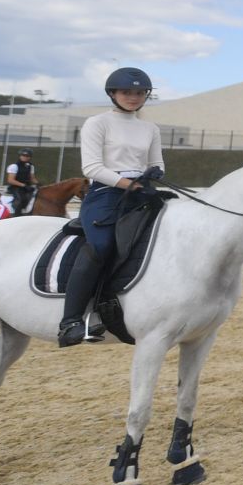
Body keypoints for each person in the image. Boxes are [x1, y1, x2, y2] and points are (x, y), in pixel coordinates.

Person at [59, 67, 165, 348]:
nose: (133, 97)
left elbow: (157, 163)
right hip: (106, 194)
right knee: (103, 246)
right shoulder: (98, 123)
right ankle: (71, 320)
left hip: (141, 191)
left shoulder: (150, 128)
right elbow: (92, 167)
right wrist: (126, 182)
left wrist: (153, 175)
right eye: (127, 92)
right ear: (113, 94)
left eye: (139, 93)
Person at [5, 150, 40, 215]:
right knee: (20, 199)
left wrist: (38, 183)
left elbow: (32, 178)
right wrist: (23, 185)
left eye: (27, 156)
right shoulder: (14, 166)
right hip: (15, 187)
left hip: (27, 187)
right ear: (20, 156)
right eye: (23, 155)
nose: (25, 157)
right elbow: (11, 180)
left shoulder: (31, 166)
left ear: (30, 157)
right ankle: (16, 215)